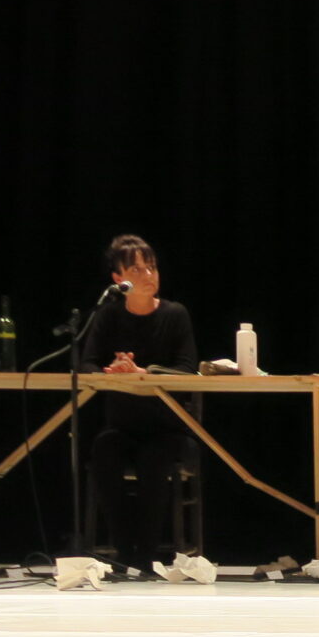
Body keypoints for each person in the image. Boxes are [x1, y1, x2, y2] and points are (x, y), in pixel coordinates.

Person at [79, 234, 199, 569]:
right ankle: (123, 551)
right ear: (118, 279)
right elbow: (86, 365)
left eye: (152, 267)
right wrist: (111, 371)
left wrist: (142, 373)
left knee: (154, 460)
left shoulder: (175, 315)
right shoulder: (107, 315)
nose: (149, 275)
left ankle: (145, 556)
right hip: (122, 425)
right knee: (103, 450)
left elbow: (187, 369)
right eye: (137, 269)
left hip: (167, 428)